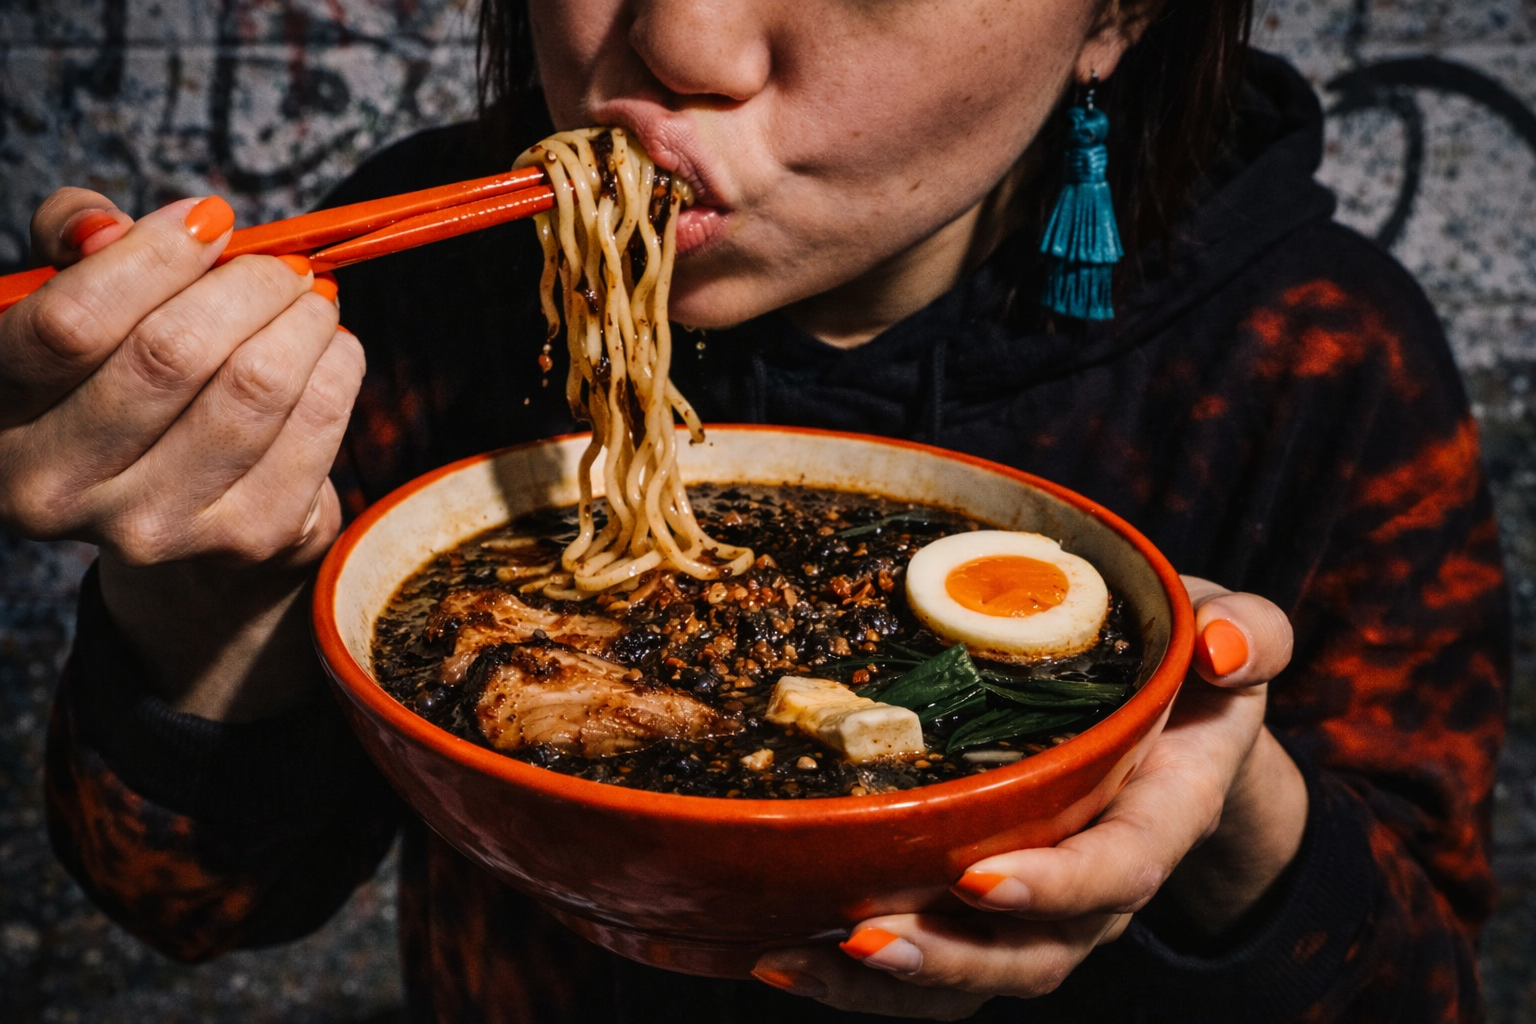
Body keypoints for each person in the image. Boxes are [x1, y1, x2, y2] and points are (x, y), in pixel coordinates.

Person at [2, 0, 1506, 1020]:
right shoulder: (416, 286)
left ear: (1111, 14)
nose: (676, 38)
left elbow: (1425, 991)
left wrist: (1229, 812)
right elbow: (191, 908)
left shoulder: (1319, 358)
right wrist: (200, 580)